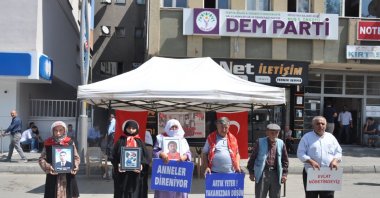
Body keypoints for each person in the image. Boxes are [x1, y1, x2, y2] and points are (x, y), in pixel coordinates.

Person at [297, 116, 342, 198]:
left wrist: (335, 160)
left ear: (326, 125)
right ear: (313, 125)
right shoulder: (306, 137)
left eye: (322, 124)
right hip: (311, 173)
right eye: (317, 124)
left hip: (328, 173)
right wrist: (310, 161)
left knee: (328, 196)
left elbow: (338, 151)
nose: (320, 126)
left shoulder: (331, 137)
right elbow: (300, 153)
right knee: (311, 196)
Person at [38, 121, 80, 198]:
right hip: (53, 176)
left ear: (65, 130)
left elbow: (76, 157)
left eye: (60, 130)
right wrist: (48, 166)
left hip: (68, 176)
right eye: (56, 130)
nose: (58, 133)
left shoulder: (70, 142)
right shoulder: (48, 143)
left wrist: (75, 165)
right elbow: (41, 159)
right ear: (52, 131)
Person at [247, 124, 289, 198]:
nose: (274, 135)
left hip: (276, 173)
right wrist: (251, 173)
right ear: (267, 132)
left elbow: (285, 160)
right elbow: (252, 158)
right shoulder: (259, 142)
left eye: (276, 132)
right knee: (260, 195)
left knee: (275, 196)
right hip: (262, 173)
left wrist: (284, 174)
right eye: (272, 132)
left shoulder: (281, 143)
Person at [153, 119, 191, 198]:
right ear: (167, 128)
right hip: (165, 171)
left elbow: (188, 153)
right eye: (171, 127)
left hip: (179, 171)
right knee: (164, 193)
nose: (173, 129)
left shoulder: (183, 140)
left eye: (175, 127)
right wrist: (161, 154)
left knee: (179, 193)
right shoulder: (160, 138)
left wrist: (185, 156)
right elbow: (155, 151)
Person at [111, 120, 148, 198]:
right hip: (123, 174)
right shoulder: (120, 141)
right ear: (125, 128)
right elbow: (113, 155)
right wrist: (118, 165)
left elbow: (145, 157)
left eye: (133, 128)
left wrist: (141, 165)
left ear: (136, 129)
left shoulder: (139, 141)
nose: (131, 130)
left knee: (136, 192)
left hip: (136, 173)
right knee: (123, 191)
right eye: (129, 128)